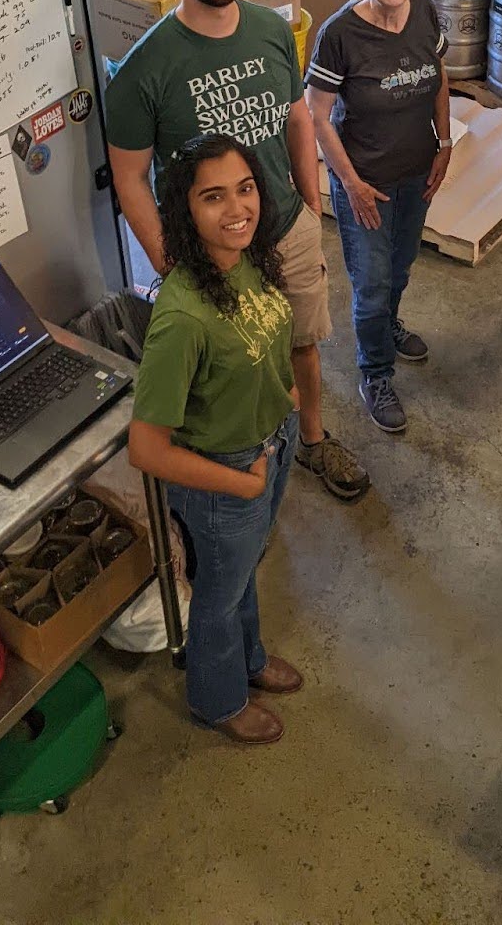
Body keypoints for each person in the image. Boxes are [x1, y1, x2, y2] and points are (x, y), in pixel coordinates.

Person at [105, 0, 369, 504]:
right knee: (229, 361)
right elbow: (129, 179)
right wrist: (171, 261)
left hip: (286, 226)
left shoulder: (272, 29)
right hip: (214, 251)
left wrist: (308, 200)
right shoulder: (144, 70)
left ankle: (310, 438)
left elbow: (297, 117)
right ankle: (238, 458)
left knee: (299, 339)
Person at [128, 135, 300, 744]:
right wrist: (243, 482)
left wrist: (289, 404)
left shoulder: (245, 256)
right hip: (227, 473)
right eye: (213, 197)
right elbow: (146, 450)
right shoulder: (181, 318)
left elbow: (269, 334)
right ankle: (217, 699)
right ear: (184, 211)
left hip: (270, 443)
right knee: (218, 598)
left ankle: (248, 661)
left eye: (246, 188)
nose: (238, 208)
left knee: (243, 570)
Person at [305, 0, 452, 435]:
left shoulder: (427, 12)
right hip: (365, 182)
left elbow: (439, 75)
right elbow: (317, 116)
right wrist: (349, 183)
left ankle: (389, 327)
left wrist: (446, 144)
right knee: (370, 284)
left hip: (416, 171)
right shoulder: (340, 34)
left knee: (401, 265)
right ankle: (376, 372)